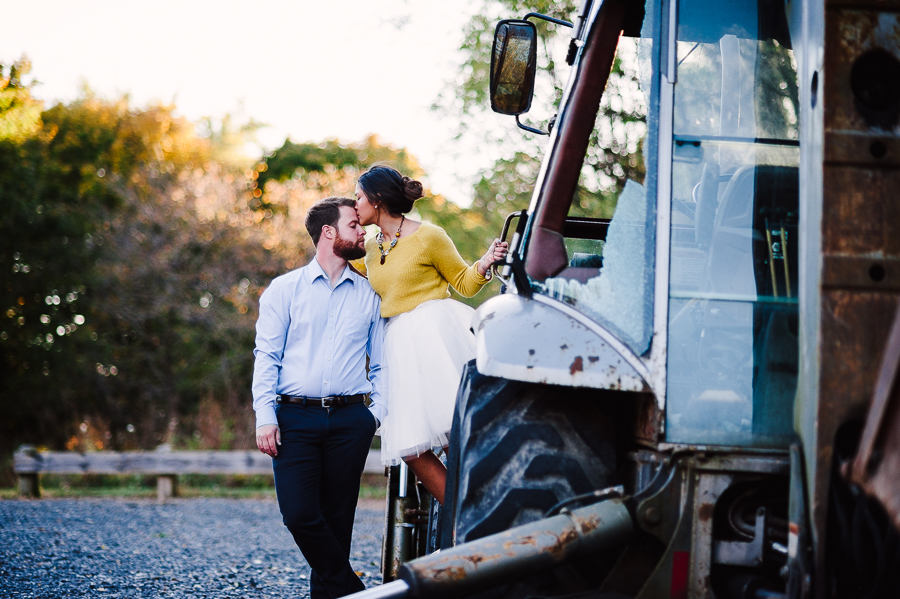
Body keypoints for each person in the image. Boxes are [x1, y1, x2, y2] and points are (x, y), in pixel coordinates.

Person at [252, 197, 386, 599]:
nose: (363, 231)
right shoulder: (284, 290)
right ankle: (353, 590)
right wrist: (265, 415)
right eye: (354, 225)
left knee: (338, 520)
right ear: (328, 232)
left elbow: (381, 364)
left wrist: (373, 417)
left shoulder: (370, 293)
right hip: (294, 418)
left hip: (351, 420)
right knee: (299, 515)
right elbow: (267, 356)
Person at [352, 165, 506, 505]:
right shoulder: (370, 248)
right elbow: (352, 272)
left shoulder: (429, 236)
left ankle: (492, 511)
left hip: (433, 334)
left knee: (456, 435)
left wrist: (485, 262)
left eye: (359, 197)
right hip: (398, 347)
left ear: (377, 200)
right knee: (411, 448)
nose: (355, 203)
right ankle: (461, 515)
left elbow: (464, 282)